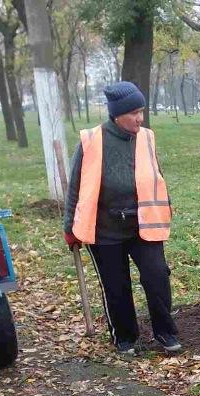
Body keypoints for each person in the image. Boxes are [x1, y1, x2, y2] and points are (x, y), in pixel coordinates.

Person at [63, 81, 181, 356]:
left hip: (143, 224)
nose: (140, 118)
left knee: (157, 276)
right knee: (116, 285)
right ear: (117, 114)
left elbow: (157, 175)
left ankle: (166, 333)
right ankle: (125, 338)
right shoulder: (92, 141)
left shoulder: (146, 138)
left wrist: (166, 207)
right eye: (134, 113)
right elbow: (75, 186)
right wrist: (69, 227)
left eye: (142, 111)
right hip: (105, 229)